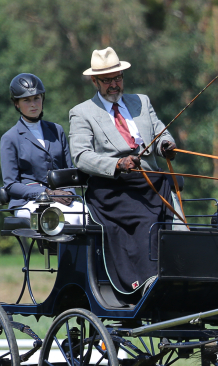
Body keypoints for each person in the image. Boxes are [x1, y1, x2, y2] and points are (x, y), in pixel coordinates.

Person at [69, 47, 183, 296]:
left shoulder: (141, 102)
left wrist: (166, 146)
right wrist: (117, 165)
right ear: (94, 81)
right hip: (114, 189)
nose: (114, 85)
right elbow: (81, 156)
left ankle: (183, 277)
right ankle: (147, 281)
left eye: (117, 78)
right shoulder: (82, 113)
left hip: (152, 183)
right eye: (107, 80)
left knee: (185, 225)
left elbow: (161, 132)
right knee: (146, 221)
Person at [0, 73, 85, 225]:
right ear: (16, 104)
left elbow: (69, 172)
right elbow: (11, 184)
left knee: (87, 215)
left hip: (63, 199)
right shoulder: (10, 138)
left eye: (36, 98)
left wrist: (69, 195)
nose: (33, 104)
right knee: (70, 219)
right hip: (28, 201)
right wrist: (48, 193)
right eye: (26, 100)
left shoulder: (56, 130)